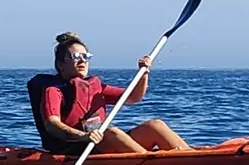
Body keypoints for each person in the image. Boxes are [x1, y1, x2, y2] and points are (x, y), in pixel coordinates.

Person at [27, 31, 191, 156]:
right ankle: (152, 163)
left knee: (155, 126)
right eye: (76, 56)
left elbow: (133, 97)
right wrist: (84, 136)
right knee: (111, 133)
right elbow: (52, 125)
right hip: (74, 148)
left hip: (97, 142)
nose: (83, 61)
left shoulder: (96, 87)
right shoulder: (54, 91)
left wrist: (144, 73)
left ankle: (189, 157)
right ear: (61, 64)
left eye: (86, 56)